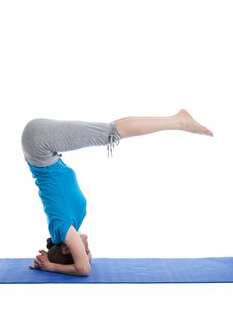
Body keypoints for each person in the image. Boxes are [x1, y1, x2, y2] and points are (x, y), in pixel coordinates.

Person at [21, 109, 213, 276]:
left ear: (65, 249)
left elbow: (83, 269)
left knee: (110, 133)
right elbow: (86, 261)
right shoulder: (71, 225)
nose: (87, 250)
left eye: (82, 250)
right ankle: (178, 121)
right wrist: (80, 257)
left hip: (39, 144)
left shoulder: (63, 228)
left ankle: (179, 121)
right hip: (44, 152)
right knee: (109, 132)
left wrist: (51, 267)